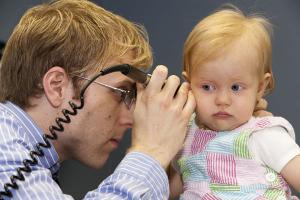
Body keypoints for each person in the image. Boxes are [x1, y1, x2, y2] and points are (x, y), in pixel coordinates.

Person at [0, 0, 196, 199]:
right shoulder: (4, 149)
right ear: (57, 86)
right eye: (121, 92)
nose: (130, 120)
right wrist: (152, 151)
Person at [169, 5, 300, 200]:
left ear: (260, 88)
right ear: (189, 85)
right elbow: (171, 191)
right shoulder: (185, 136)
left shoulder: (262, 134)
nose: (222, 100)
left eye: (236, 88)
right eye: (207, 87)